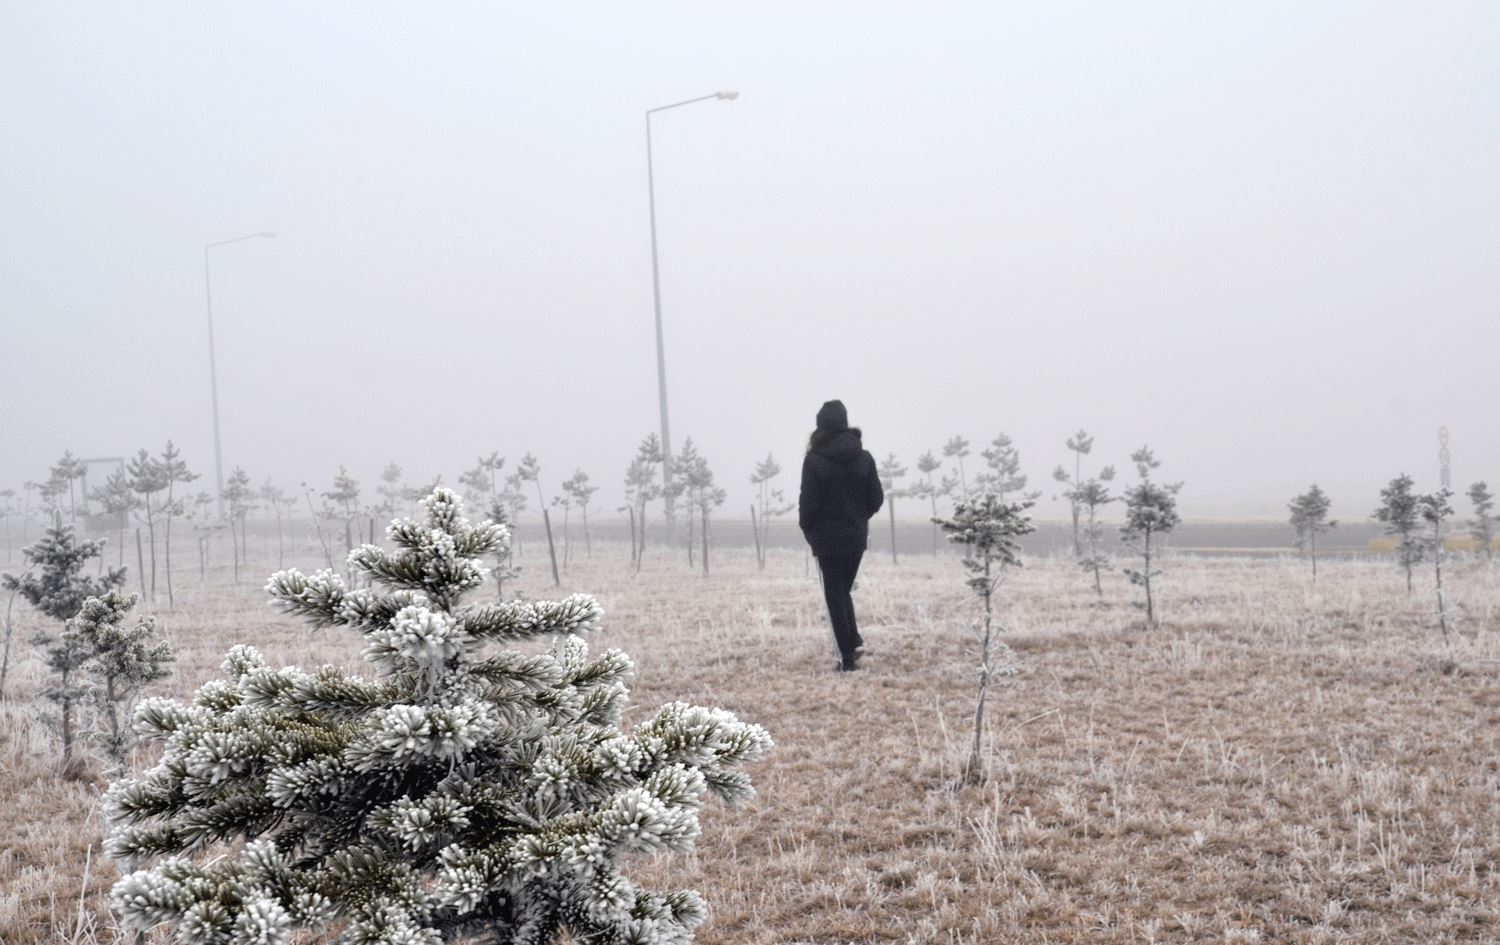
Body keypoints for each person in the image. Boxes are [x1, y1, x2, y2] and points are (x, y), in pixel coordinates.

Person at [798, 399, 883, 672]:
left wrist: (809, 530)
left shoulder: (813, 461)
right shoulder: (864, 457)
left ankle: (845, 655)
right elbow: (876, 498)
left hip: (826, 539)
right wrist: (858, 519)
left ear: (820, 426)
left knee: (835, 593)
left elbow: (807, 504)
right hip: (856, 538)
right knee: (841, 590)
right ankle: (853, 639)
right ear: (845, 423)